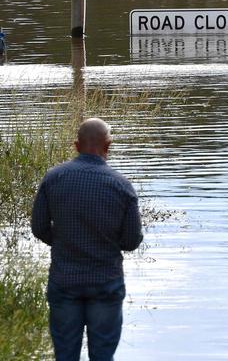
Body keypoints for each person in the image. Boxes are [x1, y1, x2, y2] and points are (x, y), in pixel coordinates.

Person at [31, 118, 143, 361]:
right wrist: (107, 243)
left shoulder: (53, 178)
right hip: (105, 282)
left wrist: (63, 241)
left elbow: (39, 227)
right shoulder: (122, 186)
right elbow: (132, 240)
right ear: (108, 146)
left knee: (65, 355)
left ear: (75, 145)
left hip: (64, 280)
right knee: (102, 355)